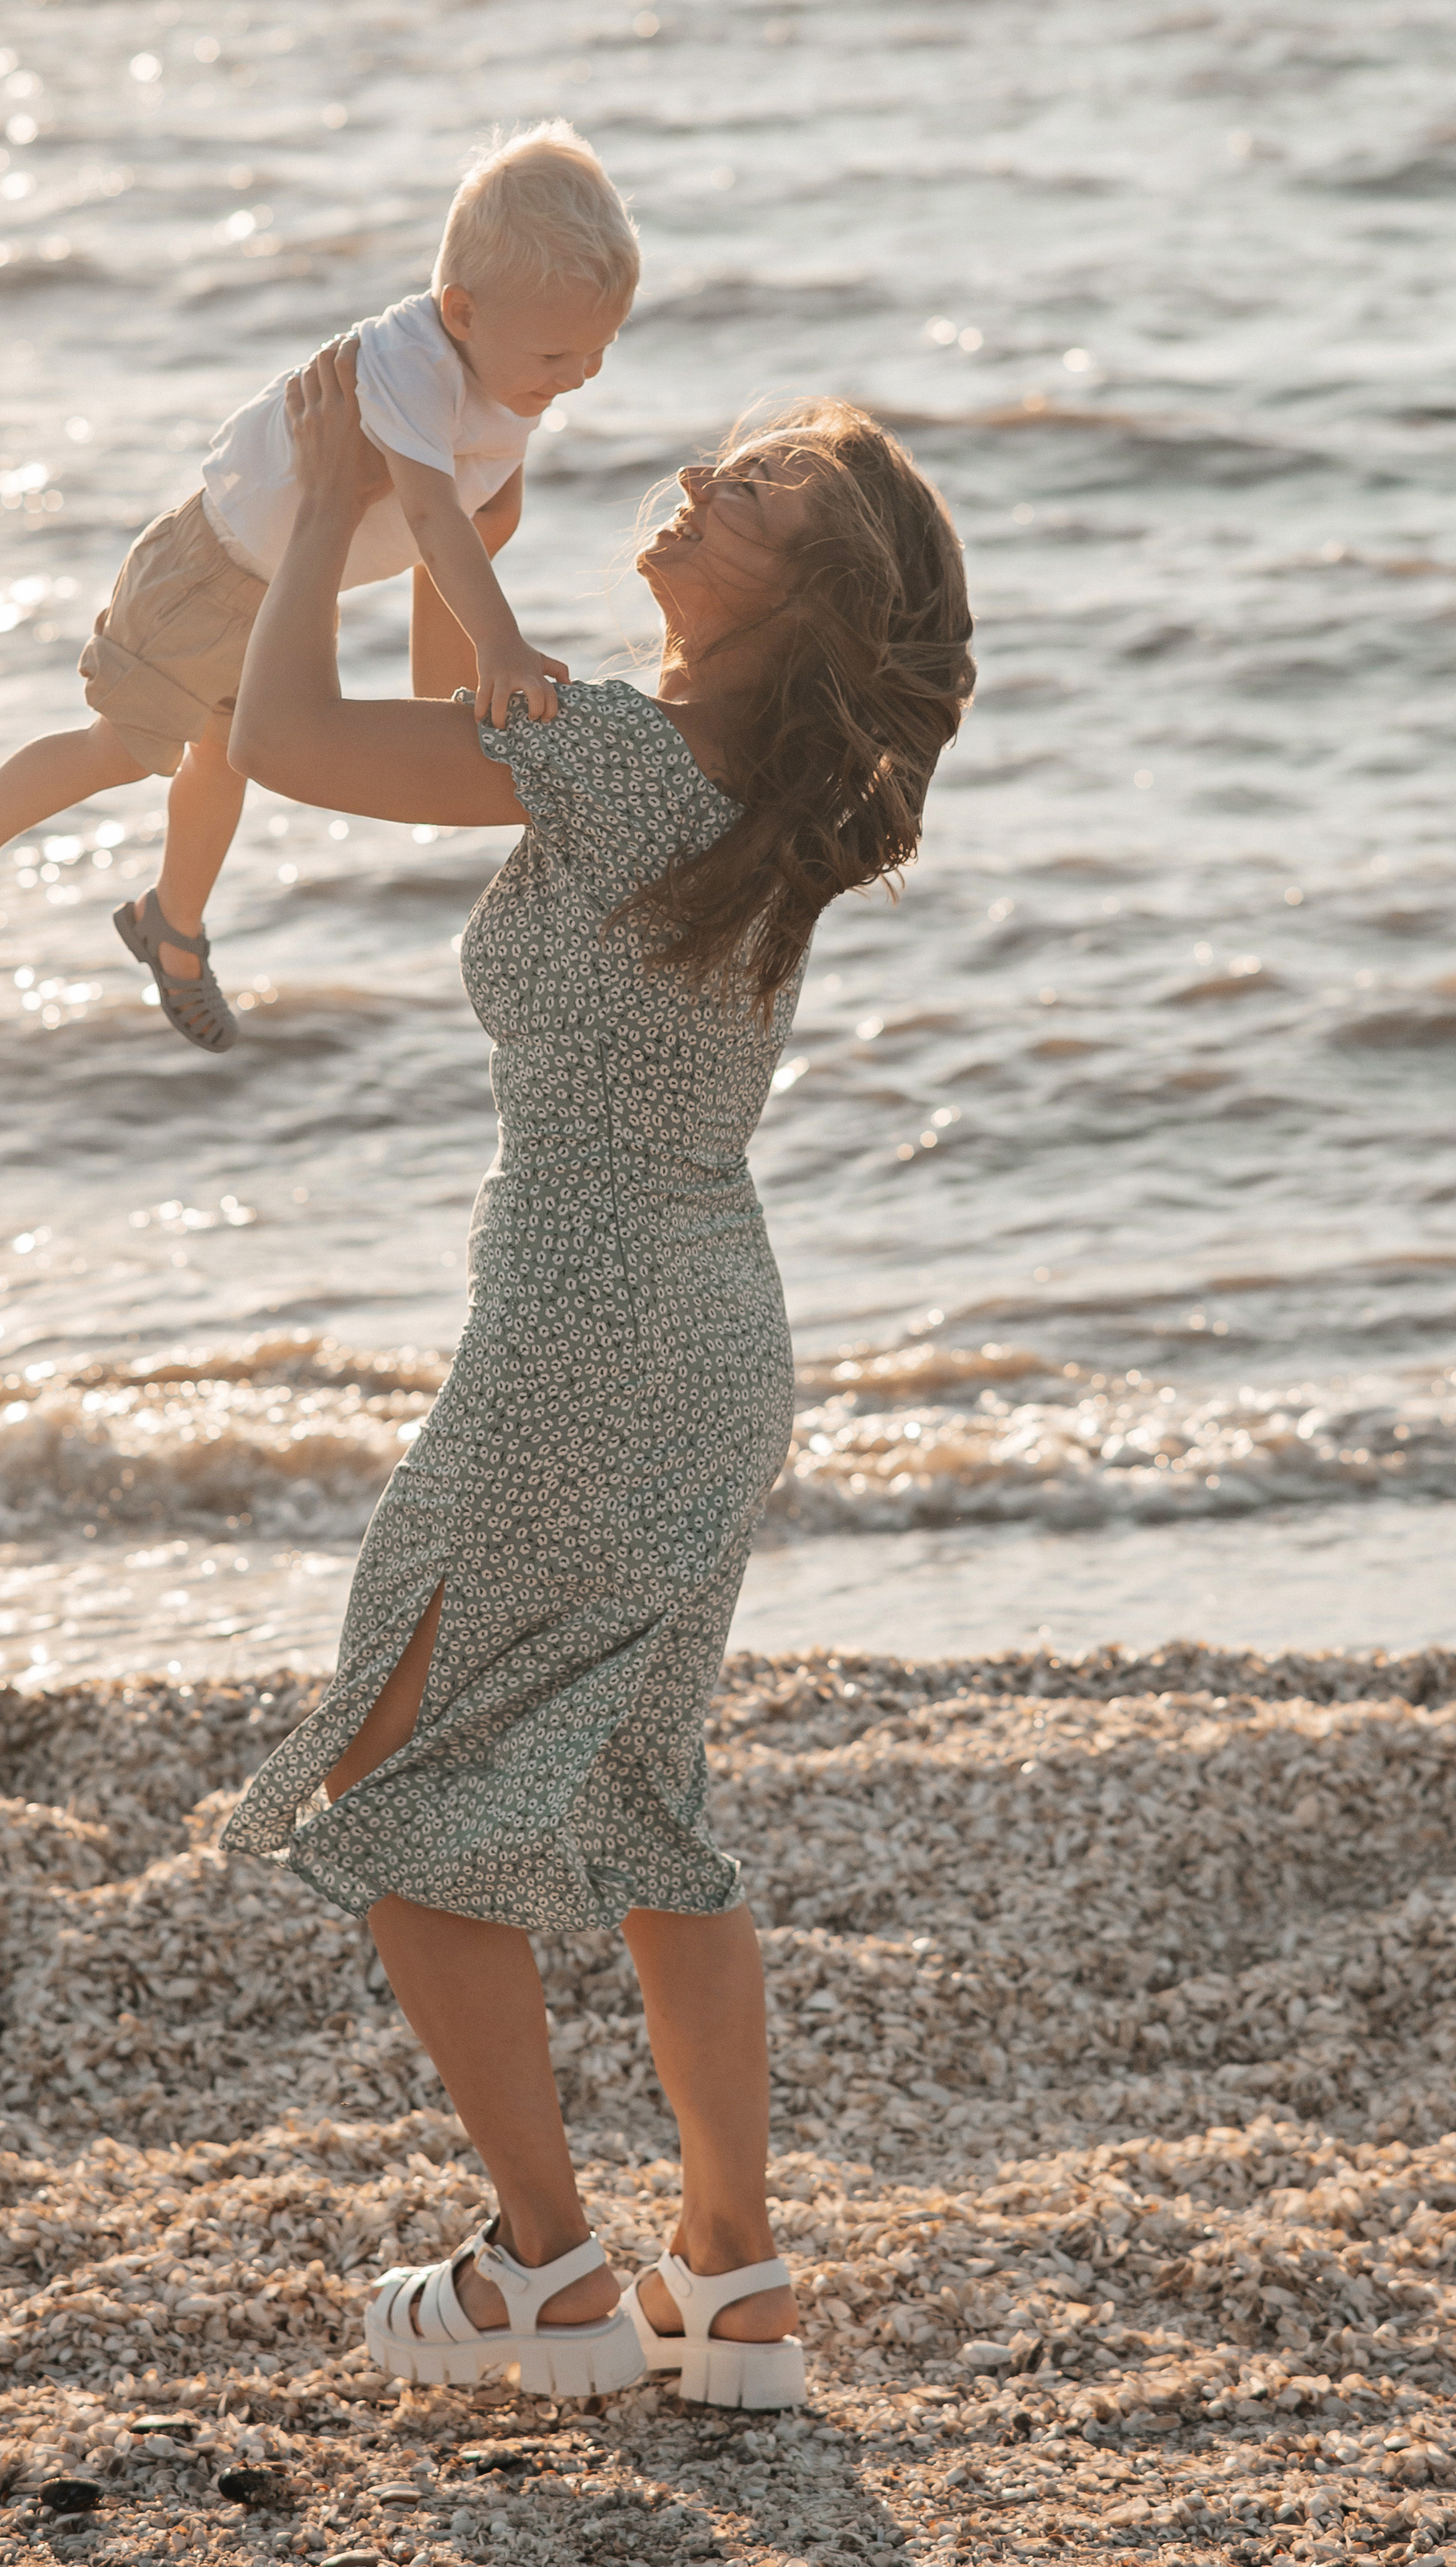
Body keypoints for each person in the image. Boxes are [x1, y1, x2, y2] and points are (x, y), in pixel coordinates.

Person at [218, 336, 974, 2409]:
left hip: (579, 1330)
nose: (699, 491)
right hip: (714, 1329)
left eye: (752, 504)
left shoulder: (627, 763)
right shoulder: (749, 798)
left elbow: (278, 730)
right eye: (725, 469)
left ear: (797, 602)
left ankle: (548, 2274)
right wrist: (433, 532)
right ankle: (735, 2293)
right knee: (644, 1803)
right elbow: (495, 651)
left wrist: (323, 506)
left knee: (398, 1781)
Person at [0, 123, 638, 1049]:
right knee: (125, 747)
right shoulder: (411, 364)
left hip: (284, 592)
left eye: (595, 356)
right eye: (557, 358)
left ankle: (171, 923)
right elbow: (434, 524)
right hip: (211, 572)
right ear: (462, 311)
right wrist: (501, 644)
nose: (574, 380)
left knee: (228, 758)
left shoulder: (503, 375)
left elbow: (472, 520)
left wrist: (456, 693)